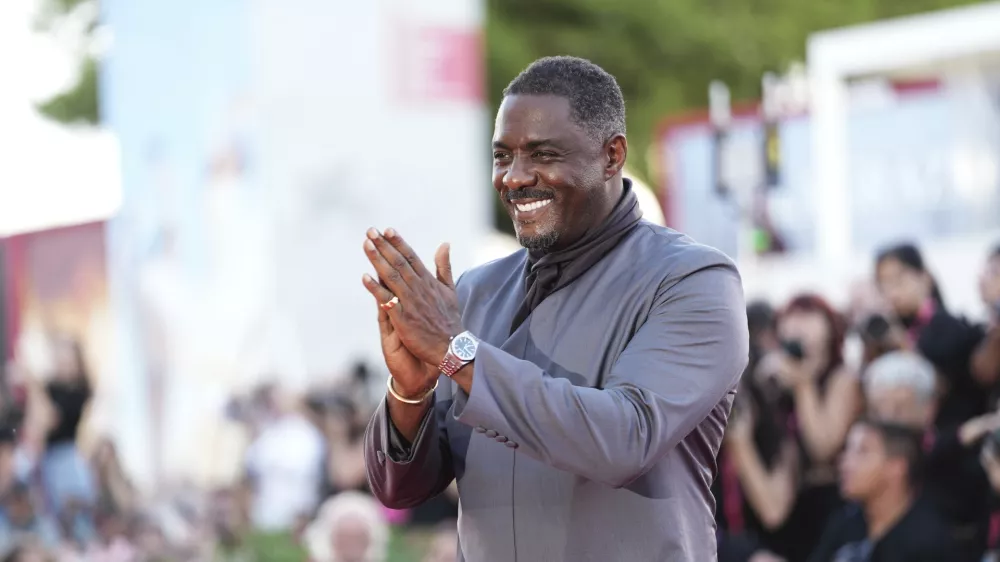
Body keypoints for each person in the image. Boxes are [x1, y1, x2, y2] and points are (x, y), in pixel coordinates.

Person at [360, 56, 749, 560]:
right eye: (502, 156)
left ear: (612, 156)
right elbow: (401, 490)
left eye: (541, 154)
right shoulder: (476, 292)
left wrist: (457, 353)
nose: (514, 178)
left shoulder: (693, 281)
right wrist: (410, 393)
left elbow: (624, 439)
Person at [808, 419, 955, 562]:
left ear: (897, 466)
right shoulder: (845, 522)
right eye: (847, 451)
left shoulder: (928, 541)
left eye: (862, 452)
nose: (845, 463)